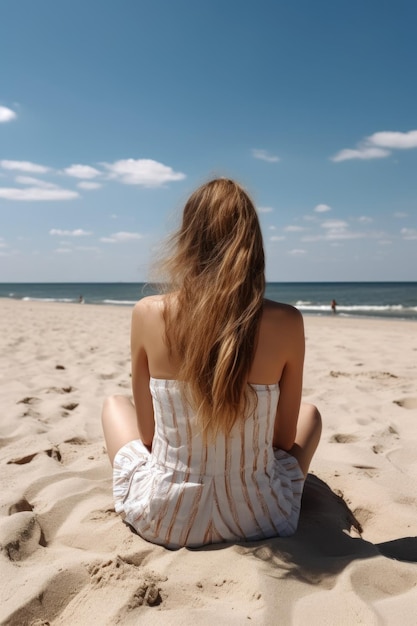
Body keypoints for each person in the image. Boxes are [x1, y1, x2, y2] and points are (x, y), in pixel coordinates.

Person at [102, 178, 321, 549]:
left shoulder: (148, 312)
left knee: (113, 404)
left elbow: (149, 437)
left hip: (166, 517)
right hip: (261, 514)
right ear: (252, 244)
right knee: (311, 414)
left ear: (188, 241)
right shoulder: (287, 321)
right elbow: (283, 442)